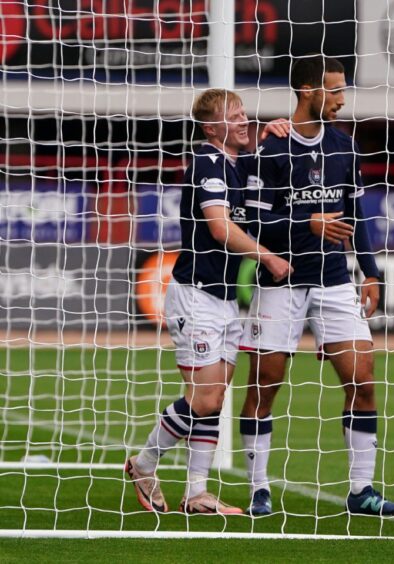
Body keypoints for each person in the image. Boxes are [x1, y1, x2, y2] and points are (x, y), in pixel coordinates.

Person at [237, 55, 394, 517]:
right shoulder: (271, 149)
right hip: (281, 280)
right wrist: (307, 222)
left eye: (342, 90)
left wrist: (370, 271)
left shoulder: (345, 147)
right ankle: (259, 488)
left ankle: (361, 491)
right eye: (333, 90)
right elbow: (254, 220)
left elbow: (357, 216)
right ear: (308, 90)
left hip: (335, 279)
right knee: (265, 383)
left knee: (363, 379)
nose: (340, 99)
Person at [125, 89, 291, 514]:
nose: (243, 120)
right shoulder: (207, 162)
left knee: (213, 399)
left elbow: (260, 165)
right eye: (233, 115)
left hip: (224, 301)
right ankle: (144, 464)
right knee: (204, 399)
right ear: (210, 126)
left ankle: (196, 491)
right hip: (195, 295)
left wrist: (271, 136)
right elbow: (219, 228)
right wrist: (267, 256)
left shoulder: (236, 165)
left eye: (243, 113)